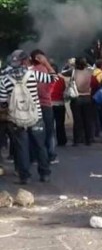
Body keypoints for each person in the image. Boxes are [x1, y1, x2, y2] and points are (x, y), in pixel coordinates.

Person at [0, 50, 57, 184]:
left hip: (16, 119)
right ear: (25, 61)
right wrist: (46, 63)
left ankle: (25, 176)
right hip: (35, 116)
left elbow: (2, 102)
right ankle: (44, 173)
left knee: (21, 148)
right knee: (40, 145)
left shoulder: (4, 79)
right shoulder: (33, 74)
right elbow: (53, 78)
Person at [30, 50, 57, 163]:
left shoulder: (29, 72)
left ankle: (35, 156)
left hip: (33, 106)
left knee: (34, 132)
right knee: (49, 132)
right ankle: (51, 156)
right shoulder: (47, 71)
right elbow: (54, 78)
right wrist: (46, 63)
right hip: (46, 105)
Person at [69, 57, 97, 146]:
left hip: (77, 97)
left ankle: (77, 139)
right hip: (87, 97)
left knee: (77, 120)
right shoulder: (89, 72)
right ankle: (88, 139)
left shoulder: (73, 72)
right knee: (88, 119)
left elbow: (62, 73)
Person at [51, 64, 67, 147]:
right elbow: (63, 89)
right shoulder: (61, 79)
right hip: (60, 103)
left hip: (49, 104)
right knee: (60, 123)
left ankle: (50, 141)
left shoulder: (47, 79)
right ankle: (62, 140)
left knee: (49, 124)